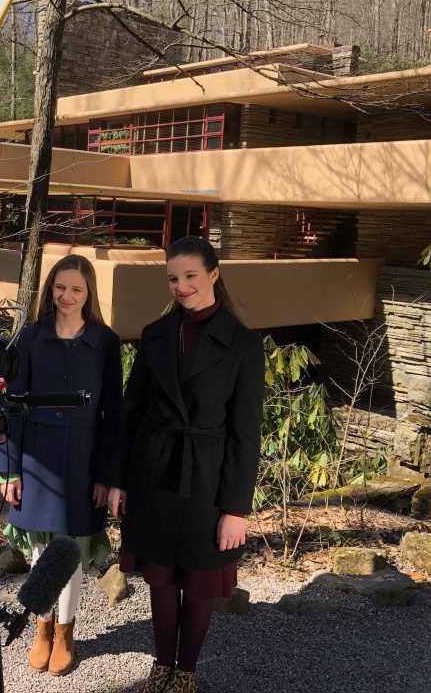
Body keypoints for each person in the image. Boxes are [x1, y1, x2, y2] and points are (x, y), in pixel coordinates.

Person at [106, 236, 264, 693]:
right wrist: (117, 481)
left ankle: (186, 672)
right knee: (159, 575)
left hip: (208, 479)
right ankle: (161, 665)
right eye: (173, 278)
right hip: (153, 469)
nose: (182, 286)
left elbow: (245, 433)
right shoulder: (155, 334)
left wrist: (236, 509)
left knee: (197, 579)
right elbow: (129, 411)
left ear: (213, 274)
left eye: (190, 275)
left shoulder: (243, 345)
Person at [0, 254, 122, 676]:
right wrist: (9, 469)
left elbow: (115, 414)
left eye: (76, 289)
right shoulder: (30, 338)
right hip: (36, 453)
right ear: (50, 289)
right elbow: (10, 407)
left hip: (85, 456)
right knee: (38, 550)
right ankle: (43, 627)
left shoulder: (107, 342)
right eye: (59, 287)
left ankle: (66, 631)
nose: (66, 296)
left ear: (89, 295)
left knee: (69, 551)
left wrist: (109, 475)